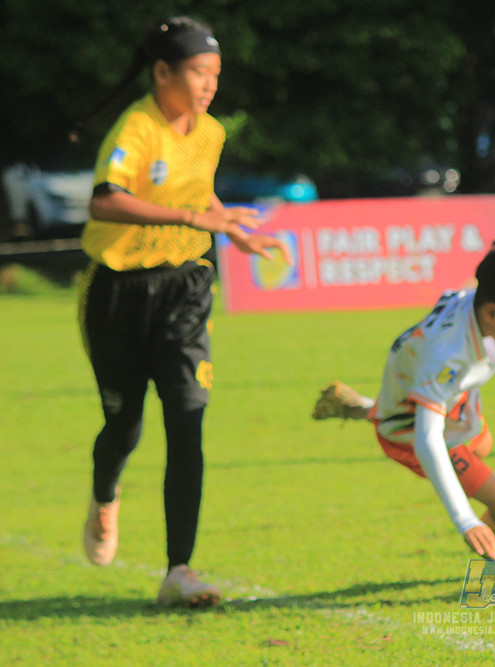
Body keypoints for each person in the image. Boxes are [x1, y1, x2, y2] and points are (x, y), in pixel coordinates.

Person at [78, 16, 291, 608]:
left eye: (215, 75)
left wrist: (231, 230)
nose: (209, 86)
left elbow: (198, 196)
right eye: (198, 73)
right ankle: (105, 493)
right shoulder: (138, 127)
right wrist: (200, 220)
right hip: (118, 294)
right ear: (162, 72)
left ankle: (180, 569)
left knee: (187, 418)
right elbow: (105, 200)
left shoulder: (212, 133)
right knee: (125, 425)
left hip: (187, 289)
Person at [312, 238, 495, 560]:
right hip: (413, 431)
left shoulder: (471, 298)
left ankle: (361, 408)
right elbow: (427, 441)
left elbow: (473, 309)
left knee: (484, 445)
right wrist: (466, 520)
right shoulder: (448, 357)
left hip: (442, 401)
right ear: (492, 312)